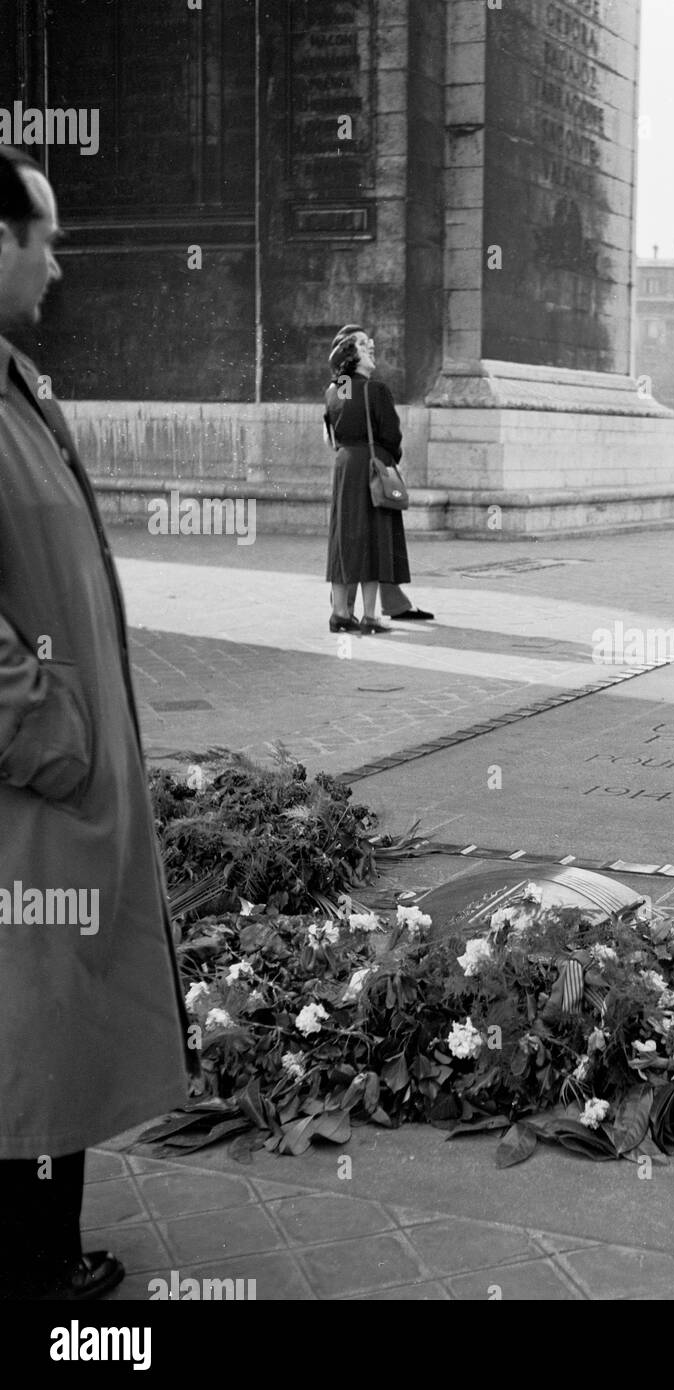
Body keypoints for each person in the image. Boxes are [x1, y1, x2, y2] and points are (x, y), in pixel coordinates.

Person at [0, 146, 194, 1299]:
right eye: (44, 239)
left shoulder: (17, 386)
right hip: (30, 796)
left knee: (50, 1029)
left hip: (50, 796)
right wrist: (52, 733)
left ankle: (46, 1256)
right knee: (28, 1036)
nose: (58, 262)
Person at [324, 326, 432, 624]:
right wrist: (389, 459)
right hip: (371, 467)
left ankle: (341, 612)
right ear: (351, 353)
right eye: (362, 344)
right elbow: (391, 436)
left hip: (344, 468)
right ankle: (370, 616)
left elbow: (335, 426)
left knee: (344, 536)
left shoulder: (335, 389)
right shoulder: (377, 390)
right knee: (374, 537)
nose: (370, 346)